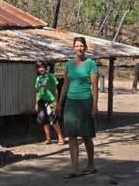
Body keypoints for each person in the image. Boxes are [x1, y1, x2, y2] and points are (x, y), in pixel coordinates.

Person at [56, 36, 99, 178]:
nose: (79, 48)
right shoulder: (68, 65)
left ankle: (91, 164)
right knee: (72, 136)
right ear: (73, 48)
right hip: (70, 103)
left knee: (86, 136)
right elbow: (66, 85)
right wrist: (59, 103)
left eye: (82, 46)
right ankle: (75, 168)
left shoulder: (91, 64)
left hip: (85, 101)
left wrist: (94, 106)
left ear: (85, 47)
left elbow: (94, 87)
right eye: (77, 46)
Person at [34, 61, 64, 145]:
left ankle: (60, 137)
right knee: (43, 119)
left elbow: (55, 89)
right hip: (41, 101)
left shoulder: (50, 76)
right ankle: (48, 139)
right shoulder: (38, 78)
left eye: (42, 67)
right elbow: (37, 91)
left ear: (45, 67)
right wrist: (36, 103)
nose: (41, 69)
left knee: (53, 119)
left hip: (50, 101)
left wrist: (56, 101)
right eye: (39, 68)